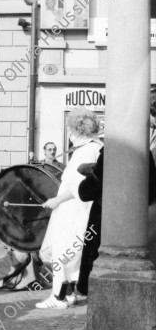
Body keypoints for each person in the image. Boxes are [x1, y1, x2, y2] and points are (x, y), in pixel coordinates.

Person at [36, 109, 103, 309]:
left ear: (79, 130)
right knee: (74, 252)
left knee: (62, 251)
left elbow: (77, 185)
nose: (70, 134)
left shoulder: (86, 150)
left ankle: (58, 297)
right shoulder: (94, 147)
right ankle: (71, 293)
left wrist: (57, 200)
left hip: (73, 208)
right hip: (78, 207)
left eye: (71, 129)